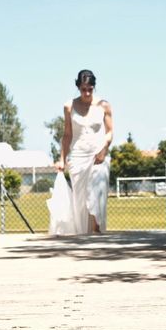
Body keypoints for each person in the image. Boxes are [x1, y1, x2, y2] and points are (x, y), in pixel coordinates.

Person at [55, 69, 113, 234]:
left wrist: (104, 149)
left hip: (98, 155)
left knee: (96, 191)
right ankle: (83, 234)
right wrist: (62, 159)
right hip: (78, 157)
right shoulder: (69, 106)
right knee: (81, 201)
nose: (87, 92)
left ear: (94, 87)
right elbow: (67, 134)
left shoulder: (104, 105)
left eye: (90, 88)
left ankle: (96, 228)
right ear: (78, 87)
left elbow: (110, 132)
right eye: (83, 89)